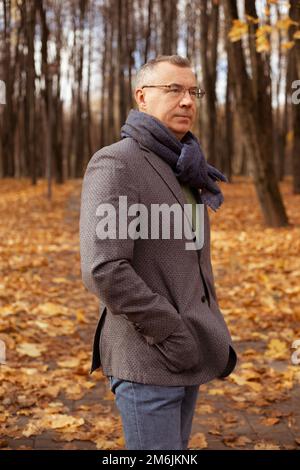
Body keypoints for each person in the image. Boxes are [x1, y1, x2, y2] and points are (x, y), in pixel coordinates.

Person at [79, 55, 237, 450]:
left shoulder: (185, 167)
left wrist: (195, 333)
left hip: (189, 351)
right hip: (148, 354)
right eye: (173, 89)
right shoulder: (117, 163)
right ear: (142, 97)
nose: (187, 101)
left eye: (192, 91)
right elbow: (104, 268)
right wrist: (171, 332)